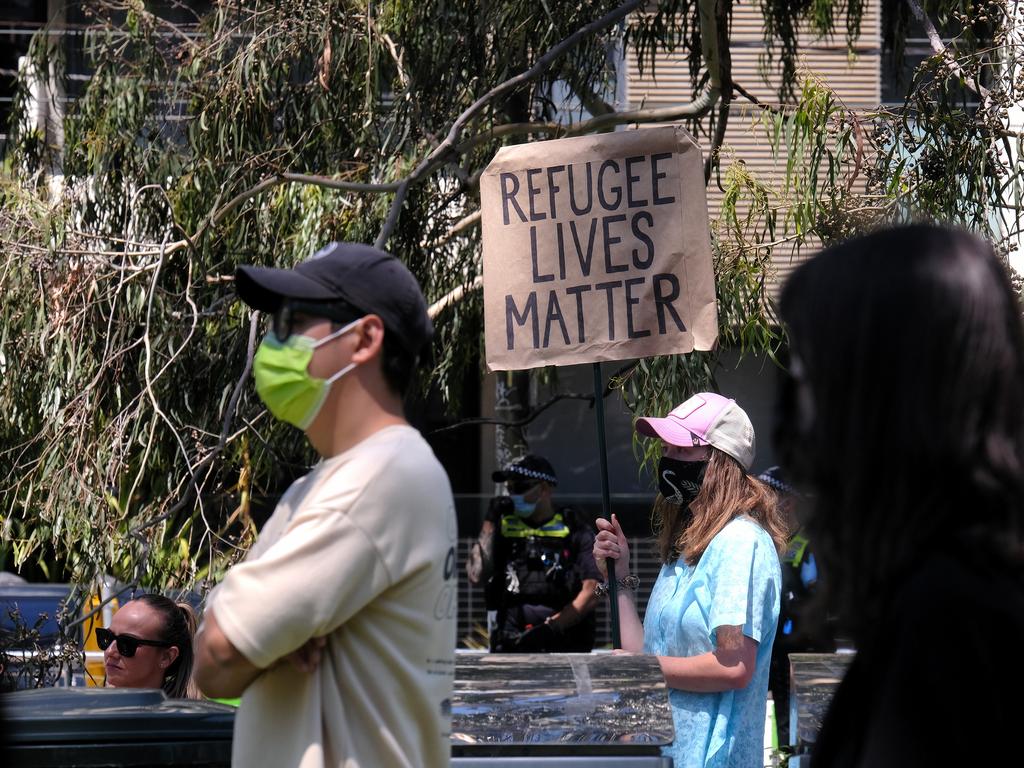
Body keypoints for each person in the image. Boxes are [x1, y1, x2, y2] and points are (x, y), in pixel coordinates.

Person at [193, 242, 457, 768]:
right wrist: (261, 635)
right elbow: (214, 648)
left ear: (363, 338)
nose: (273, 340)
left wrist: (256, 639)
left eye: (293, 319)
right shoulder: (331, 481)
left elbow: (217, 652)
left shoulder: (381, 474)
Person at [774, 224, 1024, 767]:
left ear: (878, 399)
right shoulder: (960, 593)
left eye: (810, 381)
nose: (795, 420)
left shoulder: (949, 623)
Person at [593, 392, 789, 768]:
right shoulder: (686, 550)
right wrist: (618, 580)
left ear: (720, 461)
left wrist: (644, 669)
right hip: (668, 755)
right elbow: (647, 653)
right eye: (667, 448)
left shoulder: (740, 542)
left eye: (683, 451)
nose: (668, 460)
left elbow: (733, 665)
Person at [466, 454, 601, 652]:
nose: (514, 495)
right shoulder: (502, 528)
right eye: (510, 489)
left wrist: (551, 627)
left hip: (563, 643)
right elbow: (475, 575)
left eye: (520, 488)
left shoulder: (573, 528)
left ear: (544, 489)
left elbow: (593, 590)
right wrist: (489, 521)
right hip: (511, 642)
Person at [756, 466, 835, 747]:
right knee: (782, 731)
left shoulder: (812, 545)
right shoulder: (765, 542)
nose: (756, 499)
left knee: (810, 734)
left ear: (787, 503)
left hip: (805, 656)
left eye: (766, 494)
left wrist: (806, 658)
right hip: (774, 652)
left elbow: (823, 603)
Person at [96, 594, 200, 699]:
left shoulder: (184, 714)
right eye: (107, 638)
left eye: (127, 643)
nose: (110, 651)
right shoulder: (88, 711)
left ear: (166, 657)